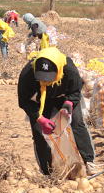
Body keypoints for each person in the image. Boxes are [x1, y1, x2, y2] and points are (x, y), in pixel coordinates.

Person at [16, 47, 97, 175]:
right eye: (42, 77)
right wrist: (40, 119)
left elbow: (76, 91)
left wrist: (68, 105)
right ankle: (47, 171)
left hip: (64, 97)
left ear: (58, 70)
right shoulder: (28, 74)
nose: (46, 80)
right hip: (41, 101)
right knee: (39, 132)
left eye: (49, 77)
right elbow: (24, 101)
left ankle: (89, 161)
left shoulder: (69, 70)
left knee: (77, 123)